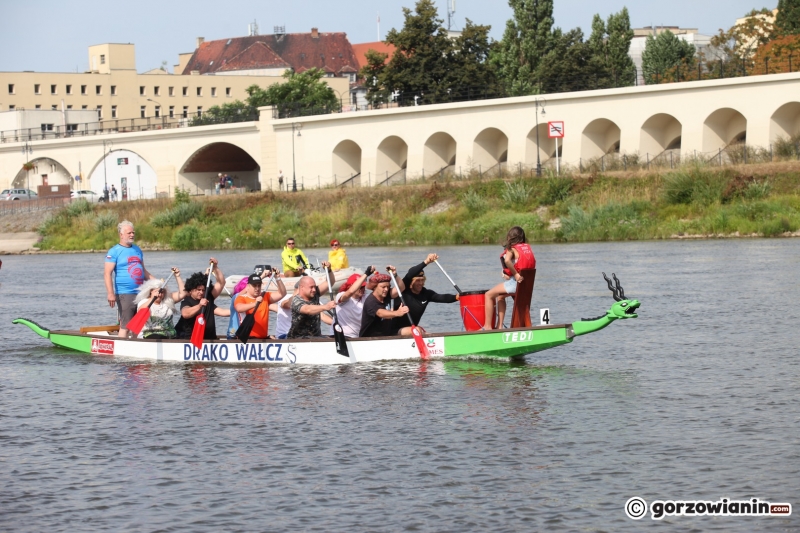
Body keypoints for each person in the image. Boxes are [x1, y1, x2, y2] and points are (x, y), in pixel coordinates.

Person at [104, 220, 155, 338]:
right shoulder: (114, 251)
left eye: (133, 232)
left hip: (141, 293)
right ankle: (121, 352)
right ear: (121, 235)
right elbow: (107, 274)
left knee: (139, 325)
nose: (132, 235)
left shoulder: (137, 250)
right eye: (129, 233)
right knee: (126, 325)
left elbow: (144, 271)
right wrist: (110, 294)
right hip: (125, 293)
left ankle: (135, 349)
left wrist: (156, 283)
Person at [390, 253, 458, 333]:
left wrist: (458, 297)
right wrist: (426, 262)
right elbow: (410, 274)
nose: (421, 283)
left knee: (426, 333)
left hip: (412, 330)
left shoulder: (425, 293)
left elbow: (442, 297)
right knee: (418, 330)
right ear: (411, 282)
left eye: (422, 280)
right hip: (394, 331)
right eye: (418, 280)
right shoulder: (403, 290)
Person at [484, 226, 536, 330]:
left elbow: (507, 261)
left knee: (488, 295)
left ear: (510, 237)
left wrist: (515, 274)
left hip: (515, 284)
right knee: (500, 297)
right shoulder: (526, 248)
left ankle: (487, 327)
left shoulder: (511, 249)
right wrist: (510, 274)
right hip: (526, 285)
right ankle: (499, 326)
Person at [175, 258, 225, 340]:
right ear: (191, 290)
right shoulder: (187, 301)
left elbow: (221, 283)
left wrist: (215, 267)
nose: (201, 292)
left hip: (209, 339)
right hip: (190, 340)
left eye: (203, 290)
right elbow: (185, 314)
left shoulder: (208, 297)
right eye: (198, 290)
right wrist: (199, 306)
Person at [287, 262, 336, 339]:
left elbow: (330, 282)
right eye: (311, 287)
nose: (314, 290)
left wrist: (329, 270)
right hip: (298, 339)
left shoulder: (314, 293)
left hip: (315, 337)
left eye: (314, 287)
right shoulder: (296, 300)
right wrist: (326, 307)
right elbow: (307, 309)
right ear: (302, 288)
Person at [134, 267, 186, 339]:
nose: (159, 294)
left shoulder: (168, 301)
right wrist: (152, 298)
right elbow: (141, 311)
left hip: (168, 333)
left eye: (162, 292)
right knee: (157, 336)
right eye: (156, 291)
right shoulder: (144, 301)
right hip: (150, 333)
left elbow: (183, 294)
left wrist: (177, 276)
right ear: (150, 291)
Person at [360, 268, 411, 338]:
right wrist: (398, 313)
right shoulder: (370, 301)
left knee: (413, 330)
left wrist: (395, 275)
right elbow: (381, 313)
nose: (386, 289)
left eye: (388, 287)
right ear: (375, 287)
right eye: (383, 287)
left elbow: (401, 288)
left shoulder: (386, 295)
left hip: (387, 334)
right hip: (370, 338)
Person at [234, 272, 287, 339]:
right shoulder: (241, 298)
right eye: (254, 286)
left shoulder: (265, 296)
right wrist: (255, 303)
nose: (257, 288)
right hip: (247, 339)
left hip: (263, 339)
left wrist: (277, 278)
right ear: (248, 286)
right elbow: (239, 308)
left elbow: (282, 293)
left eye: (259, 285)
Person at [331, 267, 374, 338]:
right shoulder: (341, 295)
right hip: (341, 335)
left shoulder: (365, 297)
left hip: (357, 336)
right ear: (351, 286)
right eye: (360, 287)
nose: (362, 289)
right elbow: (350, 292)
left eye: (363, 287)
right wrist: (366, 274)